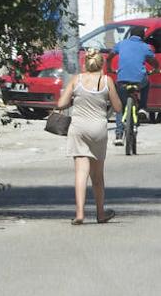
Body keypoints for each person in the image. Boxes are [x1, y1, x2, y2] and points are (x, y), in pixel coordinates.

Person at [56, 49, 122, 224]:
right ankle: (100, 213)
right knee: (97, 175)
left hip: (78, 129)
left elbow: (61, 103)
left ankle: (79, 214)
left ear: (85, 64)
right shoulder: (106, 81)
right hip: (98, 130)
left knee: (81, 172)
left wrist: (75, 98)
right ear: (102, 65)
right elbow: (117, 108)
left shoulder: (76, 80)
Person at [108, 27, 158, 145]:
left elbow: (110, 56)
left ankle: (119, 135)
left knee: (120, 106)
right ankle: (142, 108)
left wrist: (110, 67)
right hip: (139, 80)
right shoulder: (145, 47)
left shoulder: (121, 44)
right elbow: (153, 61)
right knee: (147, 83)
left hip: (122, 80)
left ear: (130, 35)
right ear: (142, 37)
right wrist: (156, 69)